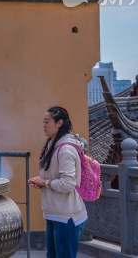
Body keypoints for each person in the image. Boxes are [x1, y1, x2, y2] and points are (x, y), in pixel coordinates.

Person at [28, 106, 87, 258]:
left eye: (47, 122)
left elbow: (68, 184)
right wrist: (43, 183)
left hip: (67, 216)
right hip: (54, 213)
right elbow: (53, 177)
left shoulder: (66, 149)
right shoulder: (52, 144)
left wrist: (45, 183)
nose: (43, 125)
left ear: (59, 123)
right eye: (43, 122)